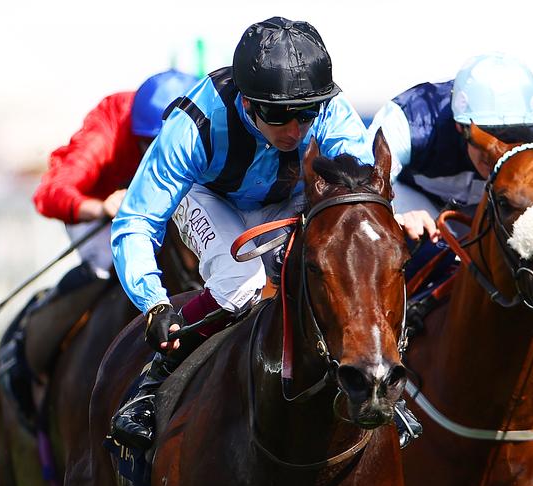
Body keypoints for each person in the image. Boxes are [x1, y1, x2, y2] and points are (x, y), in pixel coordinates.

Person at [107, 16, 420, 452]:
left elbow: (358, 192)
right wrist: (154, 302)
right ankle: (155, 376)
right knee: (245, 282)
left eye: (307, 114)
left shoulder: (328, 108)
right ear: (249, 103)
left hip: (288, 194)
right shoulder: (194, 125)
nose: (295, 131)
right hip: (209, 196)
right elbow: (136, 221)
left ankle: (370, 372)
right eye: (278, 115)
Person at [367, 53, 533, 424]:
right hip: (417, 203)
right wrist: (393, 215)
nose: (499, 150)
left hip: (501, 208)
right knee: (388, 255)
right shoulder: (412, 117)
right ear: (461, 129)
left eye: (512, 139)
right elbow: (364, 186)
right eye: (487, 140)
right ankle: (380, 367)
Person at [0, 70, 198, 425]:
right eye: (149, 148)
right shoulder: (109, 126)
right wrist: (102, 207)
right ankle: (31, 359)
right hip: (106, 211)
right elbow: (50, 192)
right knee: (108, 268)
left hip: (180, 208)